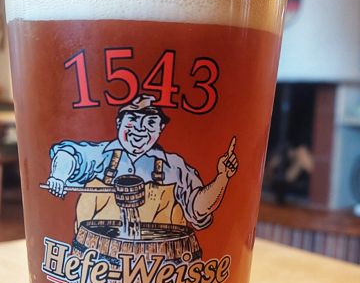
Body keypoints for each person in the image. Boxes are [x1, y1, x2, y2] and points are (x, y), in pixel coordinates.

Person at [46, 95, 238, 229]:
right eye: (133, 119)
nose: (140, 129)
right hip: (96, 262)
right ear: (119, 123)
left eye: (150, 122)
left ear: (160, 128)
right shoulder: (101, 156)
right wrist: (58, 177)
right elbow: (68, 154)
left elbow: (198, 208)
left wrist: (223, 177)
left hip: (160, 264)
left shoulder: (173, 167)